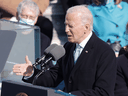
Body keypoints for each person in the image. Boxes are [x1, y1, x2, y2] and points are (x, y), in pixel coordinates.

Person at [13, 5, 116, 96]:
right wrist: (31, 73)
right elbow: (54, 76)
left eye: (70, 26)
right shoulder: (68, 47)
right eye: (65, 24)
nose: (66, 30)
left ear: (86, 27)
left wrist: (70, 95)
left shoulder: (104, 53)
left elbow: (104, 92)